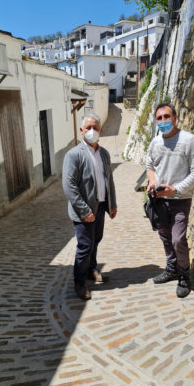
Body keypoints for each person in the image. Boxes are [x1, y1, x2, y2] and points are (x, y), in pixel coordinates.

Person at [146, 102, 194, 298]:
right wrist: (152, 183)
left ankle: (184, 274)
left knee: (178, 238)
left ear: (175, 118)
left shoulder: (188, 140)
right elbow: (150, 166)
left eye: (166, 116)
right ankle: (171, 269)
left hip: (180, 199)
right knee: (164, 235)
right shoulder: (155, 142)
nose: (163, 121)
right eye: (159, 118)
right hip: (159, 200)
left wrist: (175, 189)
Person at [62, 113, 117, 300]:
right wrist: (85, 211)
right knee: (85, 246)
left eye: (95, 128)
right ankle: (79, 282)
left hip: (100, 207)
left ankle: (91, 270)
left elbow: (109, 180)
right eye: (88, 128)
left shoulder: (104, 154)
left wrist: (113, 205)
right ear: (81, 131)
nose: (92, 131)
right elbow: (69, 186)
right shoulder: (74, 155)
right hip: (83, 211)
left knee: (96, 241)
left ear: (100, 131)